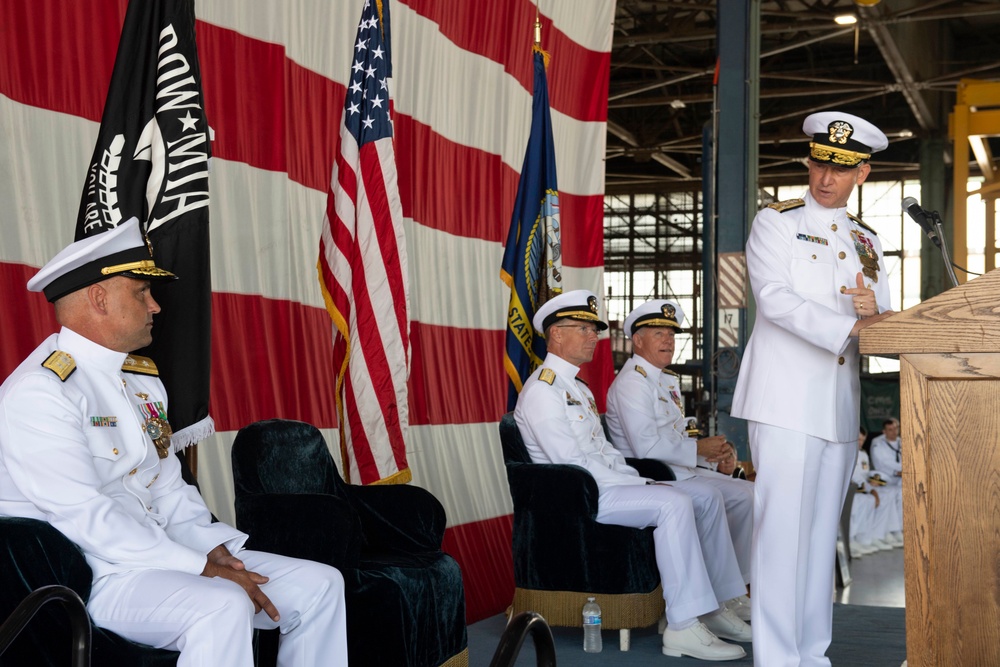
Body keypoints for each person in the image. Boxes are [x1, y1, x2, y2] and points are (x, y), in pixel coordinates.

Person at [0, 218, 348, 666]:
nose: (156, 306)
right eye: (141, 293)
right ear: (99, 298)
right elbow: (84, 516)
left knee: (321, 585)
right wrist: (202, 568)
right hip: (92, 575)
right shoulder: (42, 389)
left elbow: (167, 487)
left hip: (163, 557)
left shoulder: (140, 382)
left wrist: (213, 548)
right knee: (222, 604)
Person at [731, 110, 896, 667]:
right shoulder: (775, 222)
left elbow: (886, 320)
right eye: (821, 162)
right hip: (783, 400)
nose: (826, 177)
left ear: (863, 173)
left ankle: (811, 655)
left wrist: (879, 313)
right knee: (781, 537)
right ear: (809, 161)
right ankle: (777, 659)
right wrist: (851, 325)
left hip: (838, 406)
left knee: (820, 537)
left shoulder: (867, 240)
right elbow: (773, 298)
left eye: (841, 167)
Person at [515, 290, 749, 661]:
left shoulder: (576, 387)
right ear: (556, 334)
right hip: (579, 498)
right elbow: (571, 463)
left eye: (594, 329)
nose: (594, 336)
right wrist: (637, 484)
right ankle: (683, 626)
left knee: (689, 497)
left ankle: (706, 610)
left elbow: (606, 452)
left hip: (602, 486)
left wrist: (639, 481)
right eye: (584, 329)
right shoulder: (543, 390)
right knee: (673, 503)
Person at [605, 299, 753, 623]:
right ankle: (714, 606)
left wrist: (713, 457)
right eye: (658, 333)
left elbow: (677, 434)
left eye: (671, 334)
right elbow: (646, 448)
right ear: (637, 340)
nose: (668, 341)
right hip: (651, 475)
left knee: (748, 496)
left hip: (680, 470)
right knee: (712, 498)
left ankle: (730, 592)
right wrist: (700, 449)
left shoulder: (664, 380)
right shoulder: (632, 382)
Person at [868, 418, 905, 545]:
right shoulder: (877, 443)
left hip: (902, 479)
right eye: (890, 430)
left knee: (902, 494)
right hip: (884, 479)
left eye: (896, 428)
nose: (894, 432)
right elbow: (881, 464)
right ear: (884, 431)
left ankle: (900, 529)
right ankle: (888, 531)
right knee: (889, 494)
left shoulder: (903, 441)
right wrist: (898, 472)